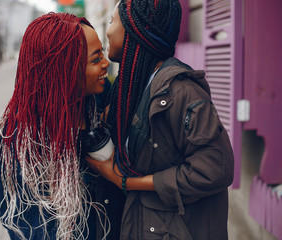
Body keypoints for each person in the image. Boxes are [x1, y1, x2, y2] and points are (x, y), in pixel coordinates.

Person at [86, 0, 235, 240]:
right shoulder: (134, 85)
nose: (108, 29)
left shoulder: (181, 92)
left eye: (112, 21)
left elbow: (215, 170)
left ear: (133, 30)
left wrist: (126, 182)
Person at [0, 12, 125, 240]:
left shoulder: (100, 101)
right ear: (65, 71)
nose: (106, 64)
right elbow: (25, 224)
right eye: (95, 59)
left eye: (102, 53)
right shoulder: (23, 140)